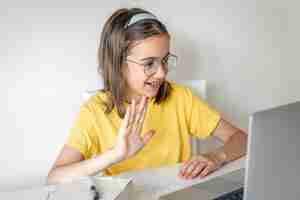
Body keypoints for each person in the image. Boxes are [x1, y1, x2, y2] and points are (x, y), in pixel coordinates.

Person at [47, 8, 247, 185]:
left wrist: (217, 156)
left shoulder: (180, 98)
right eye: (149, 63)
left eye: (164, 60)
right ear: (118, 63)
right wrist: (115, 155)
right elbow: (54, 178)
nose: (162, 73)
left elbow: (242, 139)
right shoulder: (95, 110)